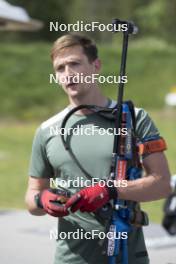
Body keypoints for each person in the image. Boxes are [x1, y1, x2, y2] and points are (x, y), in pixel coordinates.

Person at [25, 33, 171, 264]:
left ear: (96, 65)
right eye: (60, 68)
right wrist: (43, 200)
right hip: (71, 258)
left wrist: (111, 191)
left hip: (128, 256)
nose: (68, 73)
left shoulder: (135, 119)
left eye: (74, 63)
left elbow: (162, 184)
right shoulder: (46, 130)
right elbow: (32, 196)